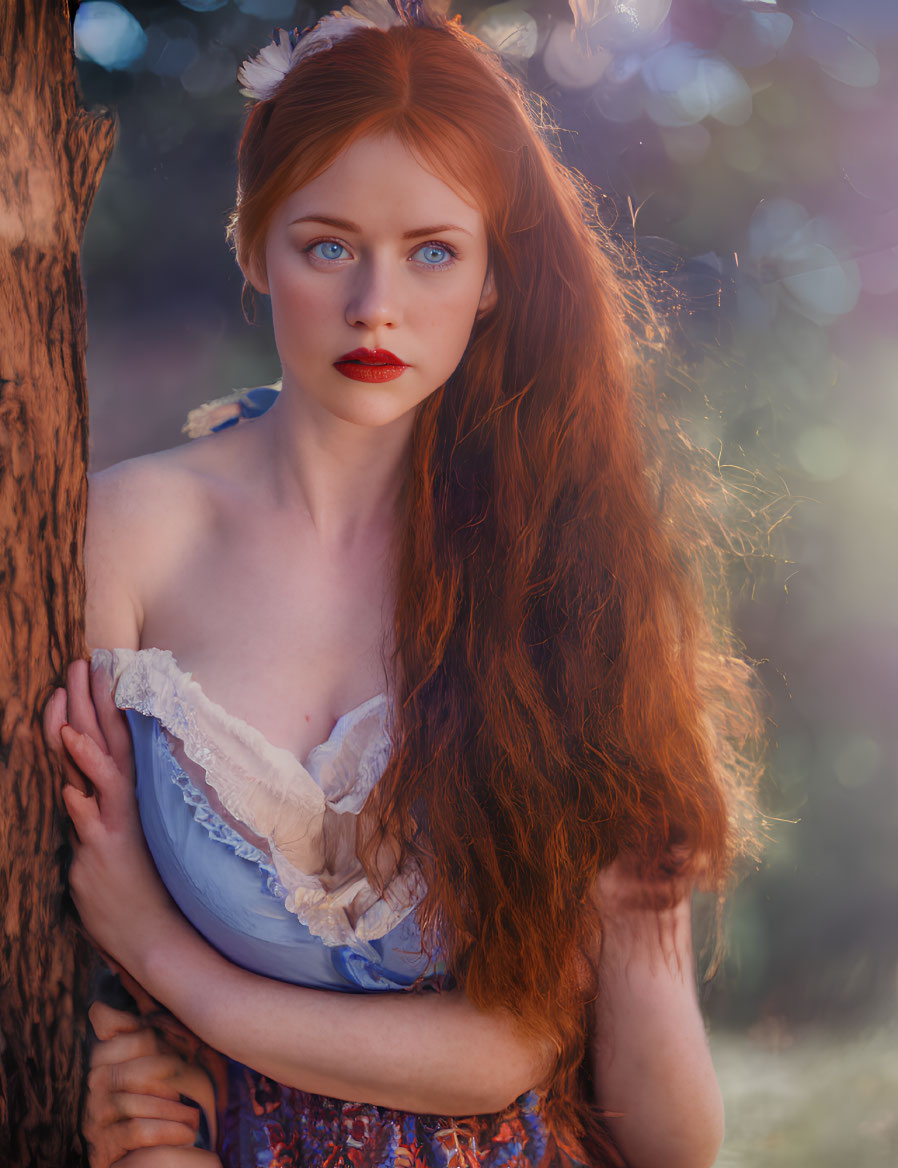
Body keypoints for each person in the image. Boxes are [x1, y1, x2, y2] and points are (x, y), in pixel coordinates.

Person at [44, 2, 762, 1165]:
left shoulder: (564, 570)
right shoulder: (128, 532)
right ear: (254, 246)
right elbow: (65, 952)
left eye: (433, 250)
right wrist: (111, 1085)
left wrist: (174, 964)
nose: (375, 303)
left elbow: (531, 1050)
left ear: (489, 277)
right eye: (327, 244)